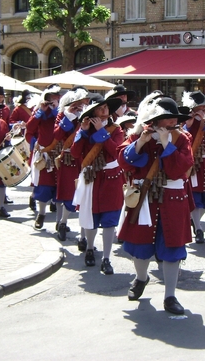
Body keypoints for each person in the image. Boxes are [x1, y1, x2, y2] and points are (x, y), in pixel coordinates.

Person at [118, 96, 194, 315]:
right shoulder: (137, 134)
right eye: (166, 120)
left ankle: (170, 296)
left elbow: (181, 168)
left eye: (173, 120)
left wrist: (167, 144)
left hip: (173, 199)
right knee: (140, 247)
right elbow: (123, 161)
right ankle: (141, 278)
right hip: (145, 199)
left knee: (172, 248)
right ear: (155, 120)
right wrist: (140, 142)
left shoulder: (182, 138)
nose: (171, 124)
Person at [72, 95, 124, 275]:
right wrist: (84, 132)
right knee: (91, 218)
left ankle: (107, 258)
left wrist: (102, 131)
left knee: (109, 221)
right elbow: (76, 153)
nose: (103, 112)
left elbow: (115, 151)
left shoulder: (116, 130)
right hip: (91, 179)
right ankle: (90, 248)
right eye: (99, 109)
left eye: (106, 108)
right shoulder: (85, 129)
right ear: (92, 112)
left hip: (111, 179)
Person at [181, 90, 205, 245]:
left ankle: (195, 221)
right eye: (202, 107)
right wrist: (188, 124)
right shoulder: (186, 122)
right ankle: (198, 228)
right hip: (195, 163)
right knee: (195, 197)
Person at [53, 89, 88, 241]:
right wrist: (69, 116)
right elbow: (57, 135)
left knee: (86, 196)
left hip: (85, 159)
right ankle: (63, 222)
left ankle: (83, 236)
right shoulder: (62, 116)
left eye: (81, 103)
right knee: (69, 194)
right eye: (76, 104)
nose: (80, 106)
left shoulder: (87, 116)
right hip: (68, 159)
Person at [26, 84, 62, 230]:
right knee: (44, 185)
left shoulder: (64, 112)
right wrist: (41, 110)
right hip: (45, 153)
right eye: (52, 98)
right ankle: (41, 214)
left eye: (56, 98)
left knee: (60, 186)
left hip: (60, 154)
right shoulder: (40, 111)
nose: (54, 101)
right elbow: (30, 128)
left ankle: (60, 221)